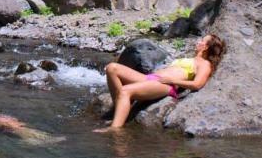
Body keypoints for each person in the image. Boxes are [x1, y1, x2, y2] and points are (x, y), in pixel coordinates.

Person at [96, 34, 226, 133]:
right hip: (151, 78)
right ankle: (121, 108)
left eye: (202, 40)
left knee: (125, 91)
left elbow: (198, 84)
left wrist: (172, 81)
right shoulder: (190, 58)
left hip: (166, 85)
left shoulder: (204, 64)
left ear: (206, 47)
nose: (199, 42)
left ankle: (115, 129)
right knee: (112, 68)